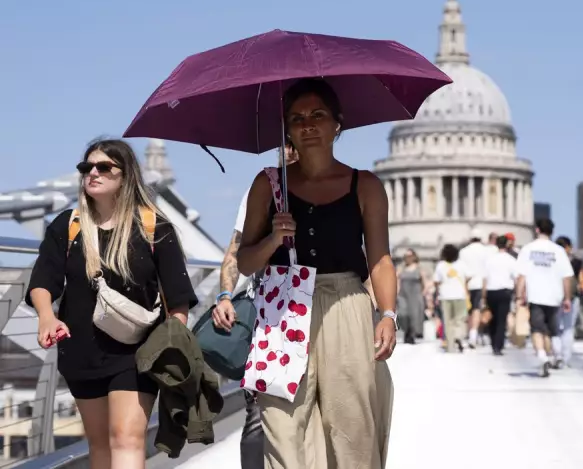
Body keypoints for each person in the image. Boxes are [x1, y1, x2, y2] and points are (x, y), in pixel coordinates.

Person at [237, 78, 396, 468]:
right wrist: (273, 240)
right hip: (283, 312)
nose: (307, 125)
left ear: (337, 123)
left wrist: (388, 315)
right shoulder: (268, 185)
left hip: (345, 303)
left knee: (352, 425)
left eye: (317, 115)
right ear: (287, 130)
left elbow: (380, 259)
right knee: (282, 426)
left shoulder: (365, 185)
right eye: (296, 118)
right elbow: (245, 262)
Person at [26, 139, 198, 469]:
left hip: (139, 353)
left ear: (126, 175)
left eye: (104, 167)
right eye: (86, 167)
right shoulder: (68, 226)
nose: (92, 173)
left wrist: (174, 342)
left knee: (126, 438)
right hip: (80, 350)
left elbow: (178, 297)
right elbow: (43, 280)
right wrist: (46, 317)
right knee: (101, 444)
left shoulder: (153, 227)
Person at [212, 145, 299, 468]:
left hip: (316, 309)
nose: (290, 149)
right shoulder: (262, 189)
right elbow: (236, 249)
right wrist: (224, 295)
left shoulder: (329, 187)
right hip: (270, 314)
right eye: (284, 141)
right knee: (259, 414)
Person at [514, 218, 573, 377]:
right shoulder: (559, 251)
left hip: (535, 295)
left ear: (537, 230)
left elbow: (521, 276)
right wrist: (567, 298)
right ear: (552, 231)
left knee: (537, 329)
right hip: (554, 296)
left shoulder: (528, 249)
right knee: (551, 330)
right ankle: (552, 356)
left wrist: (519, 296)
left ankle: (542, 356)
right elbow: (566, 277)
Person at [554, 236, 583, 366]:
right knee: (569, 327)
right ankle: (566, 357)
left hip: (554, 297)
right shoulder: (576, 262)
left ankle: (557, 355)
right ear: (568, 247)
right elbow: (582, 281)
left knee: (555, 327)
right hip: (572, 297)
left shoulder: (552, 261)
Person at [482, 235, 517, 355]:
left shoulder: (490, 260)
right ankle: (498, 345)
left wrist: (483, 295)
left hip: (491, 291)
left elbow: (485, 279)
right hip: (505, 291)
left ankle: (493, 342)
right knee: (502, 319)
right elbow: (516, 278)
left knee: (493, 318)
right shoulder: (511, 260)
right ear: (507, 244)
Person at [433, 243, 469, 353]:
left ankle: (450, 346)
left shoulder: (440, 265)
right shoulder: (462, 264)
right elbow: (468, 277)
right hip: (460, 295)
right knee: (460, 319)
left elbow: (436, 282)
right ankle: (458, 336)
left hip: (445, 296)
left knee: (447, 321)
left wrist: (437, 295)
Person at [458, 228, 491, 348]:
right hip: (481, 283)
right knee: (478, 309)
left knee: (469, 310)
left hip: (467, 284)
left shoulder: (463, 252)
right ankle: (474, 334)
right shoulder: (486, 251)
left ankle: (471, 333)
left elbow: (461, 269)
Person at [396, 249, 428, 344]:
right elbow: (397, 281)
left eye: (410, 256)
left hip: (415, 295)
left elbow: (425, 283)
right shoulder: (401, 268)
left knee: (414, 316)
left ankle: (411, 335)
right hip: (403, 295)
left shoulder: (419, 268)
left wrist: (423, 294)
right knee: (402, 314)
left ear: (414, 257)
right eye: (406, 256)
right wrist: (396, 293)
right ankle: (406, 330)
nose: (408, 258)